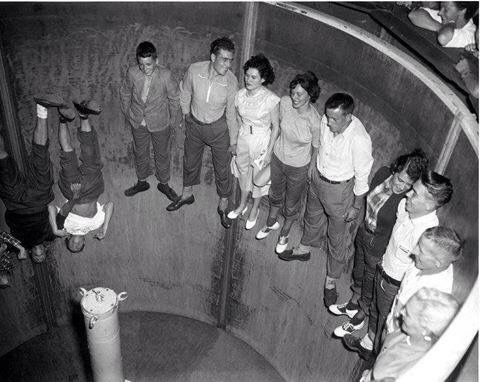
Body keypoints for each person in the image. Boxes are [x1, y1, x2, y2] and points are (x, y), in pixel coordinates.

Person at [342, 170, 453, 360]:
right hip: (383, 269)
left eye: (415, 193)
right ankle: (367, 343)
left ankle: (376, 356)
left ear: (429, 204)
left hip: (394, 285)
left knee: (386, 324)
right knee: (376, 315)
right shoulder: (405, 205)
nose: (408, 193)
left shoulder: (426, 235)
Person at [279, 93, 373, 309]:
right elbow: (320, 144)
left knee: (337, 236)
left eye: (334, 119)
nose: (328, 122)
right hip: (318, 180)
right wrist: (313, 165)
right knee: (312, 217)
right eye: (328, 117)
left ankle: (331, 280)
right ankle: (303, 250)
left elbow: (362, 175)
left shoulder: (359, 139)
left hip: (339, 191)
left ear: (348, 117)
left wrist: (356, 206)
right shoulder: (325, 120)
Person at [329, 149, 428, 338]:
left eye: (408, 185)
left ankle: (360, 315)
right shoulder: (382, 174)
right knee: (358, 272)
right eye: (400, 179)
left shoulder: (403, 201)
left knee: (369, 280)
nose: (401, 187)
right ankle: (353, 303)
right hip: (364, 233)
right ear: (395, 170)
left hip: (378, 245)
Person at [167, 37, 238, 229]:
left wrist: (233, 141)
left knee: (222, 168)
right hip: (195, 124)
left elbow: (232, 113)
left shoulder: (231, 81)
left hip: (218, 129)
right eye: (224, 59)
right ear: (213, 57)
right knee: (190, 161)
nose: (227, 64)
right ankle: (187, 194)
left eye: (230, 60)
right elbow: (186, 91)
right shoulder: (195, 70)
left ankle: (223, 203)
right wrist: (186, 113)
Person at [0, 96, 73, 263]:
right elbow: (56, 210)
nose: (39, 253)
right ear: (45, 252)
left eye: (36, 256)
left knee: (3, 161)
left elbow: (3, 236)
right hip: (40, 197)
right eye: (42, 255)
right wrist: (57, 229)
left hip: (15, 201)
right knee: (41, 155)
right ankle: (42, 108)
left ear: (32, 254)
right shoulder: (50, 236)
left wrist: (19, 249)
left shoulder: (20, 244)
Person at [254, 71, 321, 253]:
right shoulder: (284, 103)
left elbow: (316, 148)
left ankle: (285, 232)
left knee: (291, 203)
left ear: (310, 95)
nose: (294, 97)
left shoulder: (315, 121)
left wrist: (311, 168)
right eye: (293, 92)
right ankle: (270, 222)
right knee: (275, 194)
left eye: (299, 94)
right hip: (278, 158)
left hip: (298, 167)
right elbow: (276, 125)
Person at [48, 100, 114, 253]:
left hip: (72, 190)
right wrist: (105, 227)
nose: (76, 245)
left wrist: (55, 230)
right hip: (93, 188)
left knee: (67, 153)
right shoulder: (94, 226)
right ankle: (83, 115)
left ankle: (63, 118)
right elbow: (109, 205)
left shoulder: (63, 228)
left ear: (68, 240)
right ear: (84, 242)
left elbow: (51, 207)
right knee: (91, 152)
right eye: (79, 247)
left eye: (72, 246)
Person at [121, 41, 181, 202]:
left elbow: (175, 98)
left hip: (160, 123)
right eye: (141, 64)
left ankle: (163, 184)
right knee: (140, 153)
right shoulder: (132, 73)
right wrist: (128, 113)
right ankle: (142, 182)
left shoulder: (166, 75)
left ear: (156, 61)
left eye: (148, 64)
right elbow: (125, 92)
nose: (144, 68)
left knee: (162, 155)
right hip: (138, 121)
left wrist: (171, 120)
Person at [227, 54, 280, 230]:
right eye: (247, 75)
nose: (248, 79)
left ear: (263, 79)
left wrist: (269, 152)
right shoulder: (240, 95)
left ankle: (255, 209)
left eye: (253, 77)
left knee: (258, 178)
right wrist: (236, 140)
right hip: (244, 138)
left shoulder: (270, 99)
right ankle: (242, 204)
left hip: (261, 140)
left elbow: (276, 127)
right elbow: (237, 118)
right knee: (243, 173)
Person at [360, 287, 459, 381]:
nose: (400, 313)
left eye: (407, 313)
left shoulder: (417, 368)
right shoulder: (406, 332)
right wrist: (370, 375)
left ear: (424, 328)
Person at [385, 226, 462, 334]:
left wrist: (391, 334)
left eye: (421, 250)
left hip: (397, 334)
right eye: (418, 245)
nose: (413, 251)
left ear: (437, 263)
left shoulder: (434, 294)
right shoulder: (422, 263)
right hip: (391, 321)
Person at [408, 1, 478, 48]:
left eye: (446, 9)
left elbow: (443, 37)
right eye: (441, 7)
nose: (440, 13)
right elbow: (413, 15)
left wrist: (451, 23)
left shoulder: (473, 34)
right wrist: (440, 27)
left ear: (462, 11)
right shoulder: (444, 17)